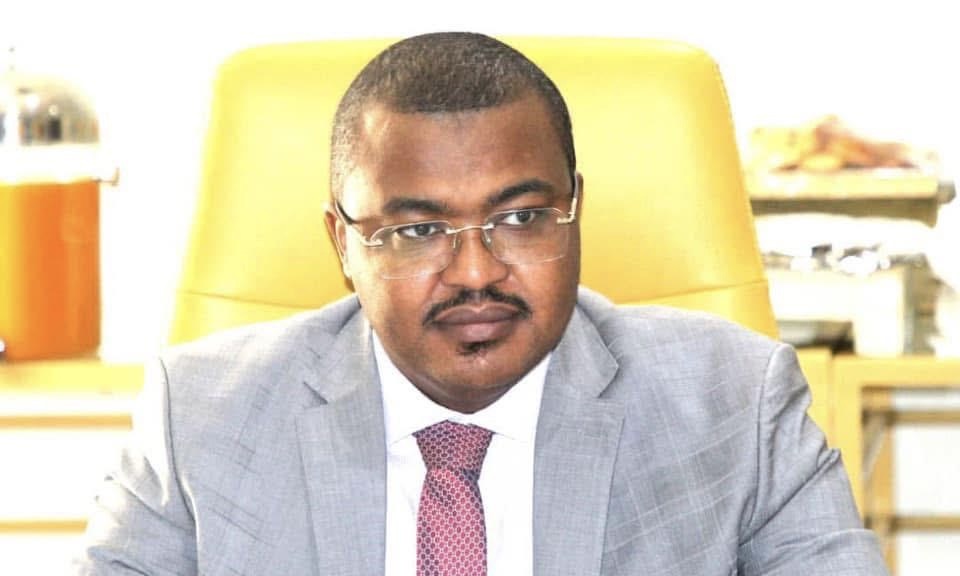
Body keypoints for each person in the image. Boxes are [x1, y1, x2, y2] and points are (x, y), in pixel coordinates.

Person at [75, 32, 888, 575]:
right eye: (417, 230)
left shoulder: (735, 401)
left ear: (575, 210)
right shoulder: (202, 418)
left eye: (521, 219)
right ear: (342, 245)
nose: (475, 272)